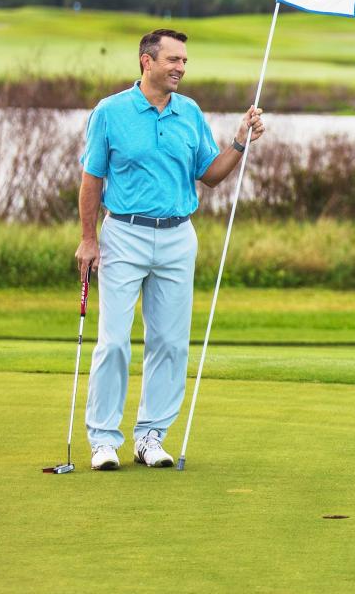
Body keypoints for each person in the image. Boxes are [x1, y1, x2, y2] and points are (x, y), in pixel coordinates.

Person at [75, 29, 265, 471]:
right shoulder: (111, 112)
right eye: (173, 59)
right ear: (147, 61)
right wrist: (88, 239)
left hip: (179, 235)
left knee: (170, 343)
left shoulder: (190, 112)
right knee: (114, 341)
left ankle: (150, 436)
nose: (180, 67)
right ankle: (103, 440)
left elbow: (211, 175)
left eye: (184, 61)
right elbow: (92, 180)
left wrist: (240, 141)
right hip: (124, 233)